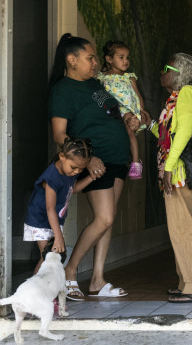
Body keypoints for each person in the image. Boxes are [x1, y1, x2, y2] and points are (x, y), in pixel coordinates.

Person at [48, 33, 135, 301]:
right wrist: (86, 159)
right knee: (104, 218)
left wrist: (129, 118)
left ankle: (97, 279)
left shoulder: (94, 84)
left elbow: (110, 114)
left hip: (117, 158)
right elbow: (59, 134)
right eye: (90, 57)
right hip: (97, 162)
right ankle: (70, 272)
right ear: (72, 60)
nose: (95, 62)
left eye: (96, 57)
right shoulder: (63, 90)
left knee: (107, 221)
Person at [148, 53, 192, 303]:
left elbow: (183, 133)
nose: (161, 72)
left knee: (184, 230)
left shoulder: (186, 94)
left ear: (179, 72)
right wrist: (149, 124)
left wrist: (169, 167)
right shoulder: (178, 98)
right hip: (178, 172)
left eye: (165, 67)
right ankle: (186, 282)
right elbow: (169, 136)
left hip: (180, 174)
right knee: (181, 229)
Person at [23, 138, 94, 275]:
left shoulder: (69, 172)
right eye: (74, 167)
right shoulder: (52, 177)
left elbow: (73, 189)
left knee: (50, 258)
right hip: (40, 220)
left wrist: (91, 177)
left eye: (81, 169)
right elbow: (50, 209)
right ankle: (33, 291)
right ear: (62, 156)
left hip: (53, 221)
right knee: (48, 258)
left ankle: (40, 291)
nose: (76, 172)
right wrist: (58, 236)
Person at [97, 40, 147, 180]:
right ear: (109, 59)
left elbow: (138, 96)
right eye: (121, 57)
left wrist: (139, 112)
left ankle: (136, 162)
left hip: (126, 109)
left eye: (127, 57)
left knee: (129, 129)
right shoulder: (102, 78)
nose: (126, 61)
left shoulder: (129, 78)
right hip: (111, 111)